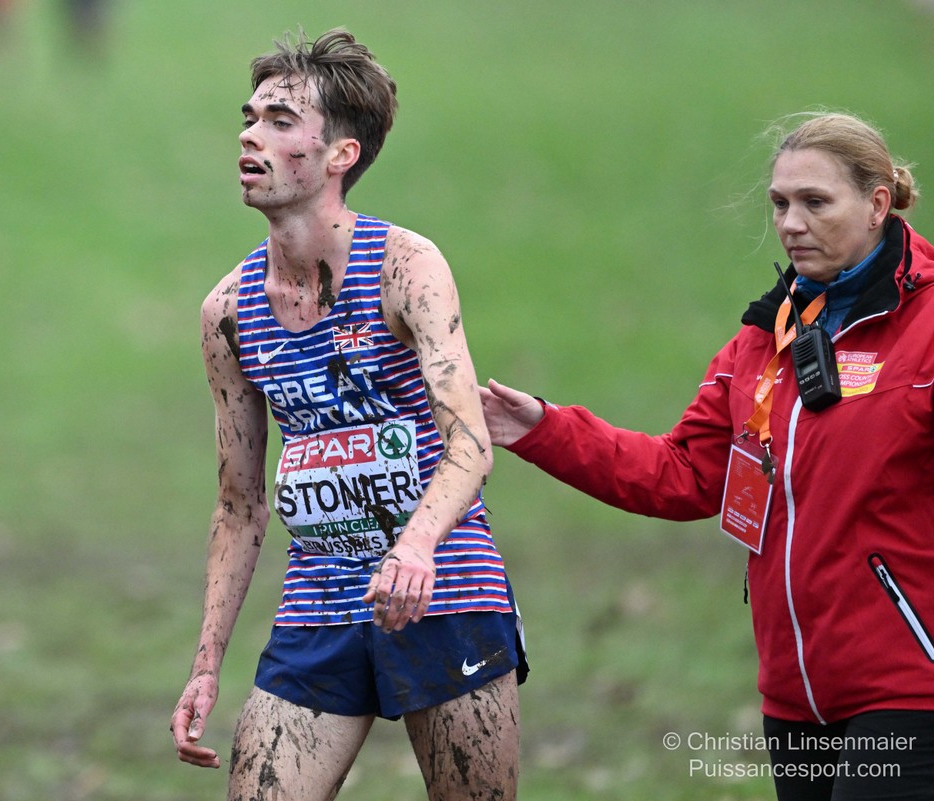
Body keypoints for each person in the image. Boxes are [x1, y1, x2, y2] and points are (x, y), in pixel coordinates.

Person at [480, 111, 934, 800]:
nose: (791, 223)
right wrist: (541, 430)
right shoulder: (763, 341)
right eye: (780, 203)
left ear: (877, 205)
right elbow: (685, 474)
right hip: (795, 696)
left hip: (909, 688)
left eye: (815, 202)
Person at [171, 28, 526, 801]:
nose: (250, 135)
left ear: (341, 154)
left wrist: (417, 546)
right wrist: (205, 665)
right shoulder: (228, 312)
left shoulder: (406, 266)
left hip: (446, 593)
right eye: (249, 118)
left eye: (280, 122)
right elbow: (239, 504)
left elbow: (470, 442)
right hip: (320, 606)